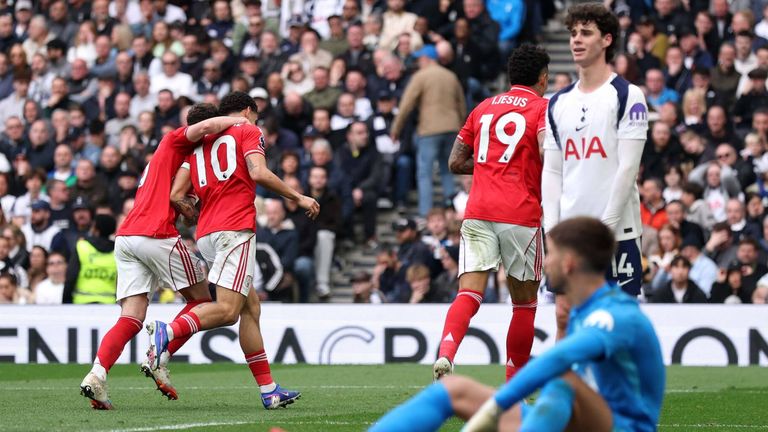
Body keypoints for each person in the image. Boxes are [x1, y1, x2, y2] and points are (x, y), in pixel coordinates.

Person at [370, 218, 664, 432]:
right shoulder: (581, 312)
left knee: (562, 381)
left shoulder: (615, 314)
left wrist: (496, 407)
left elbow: (561, 360)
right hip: (573, 422)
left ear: (570, 263)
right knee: (452, 390)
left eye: (550, 253)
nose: (545, 262)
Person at [149, 92, 319, 409]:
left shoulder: (199, 145)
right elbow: (258, 172)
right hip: (235, 230)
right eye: (255, 115)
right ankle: (167, 331)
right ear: (246, 111)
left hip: (208, 234)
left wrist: (192, 210)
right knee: (228, 311)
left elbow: (176, 193)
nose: (257, 122)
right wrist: (300, 198)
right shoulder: (246, 130)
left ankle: (269, 390)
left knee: (249, 309)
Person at [79, 105, 246, 410]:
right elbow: (201, 133)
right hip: (155, 234)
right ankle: (161, 352)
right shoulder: (176, 142)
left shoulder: (186, 162)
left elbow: (179, 204)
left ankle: (96, 375)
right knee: (202, 302)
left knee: (131, 317)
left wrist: (191, 209)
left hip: (128, 236)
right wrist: (238, 120)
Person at [432, 44, 550, 381]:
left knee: (469, 292)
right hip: (520, 213)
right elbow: (546, 151)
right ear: (542, 79)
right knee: (524, 304)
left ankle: (446, 354)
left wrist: (488, 167)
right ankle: (515, 384)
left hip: (479, 210)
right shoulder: (542, 108)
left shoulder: (483, 108)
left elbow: (455, 161)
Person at [541, 3, 648, 338]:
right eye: (573, 33)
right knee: (563, 315)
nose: (576, 40)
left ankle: (619, 390)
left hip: (617, 230)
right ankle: (564, 389)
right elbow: (553, 172)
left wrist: (605, 229)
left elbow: (628, 167)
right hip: (570, 233)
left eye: (585, 33)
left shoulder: (628, 95)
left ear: (606, 40)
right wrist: (552, 231)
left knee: (616, 321)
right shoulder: (557, 103)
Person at [64, 214, 117, 304]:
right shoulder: (118, 250)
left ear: (96, 229)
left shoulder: (82, 246)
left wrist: (65, 302)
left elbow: (71, 277)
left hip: (81, 303)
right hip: (109, 304)